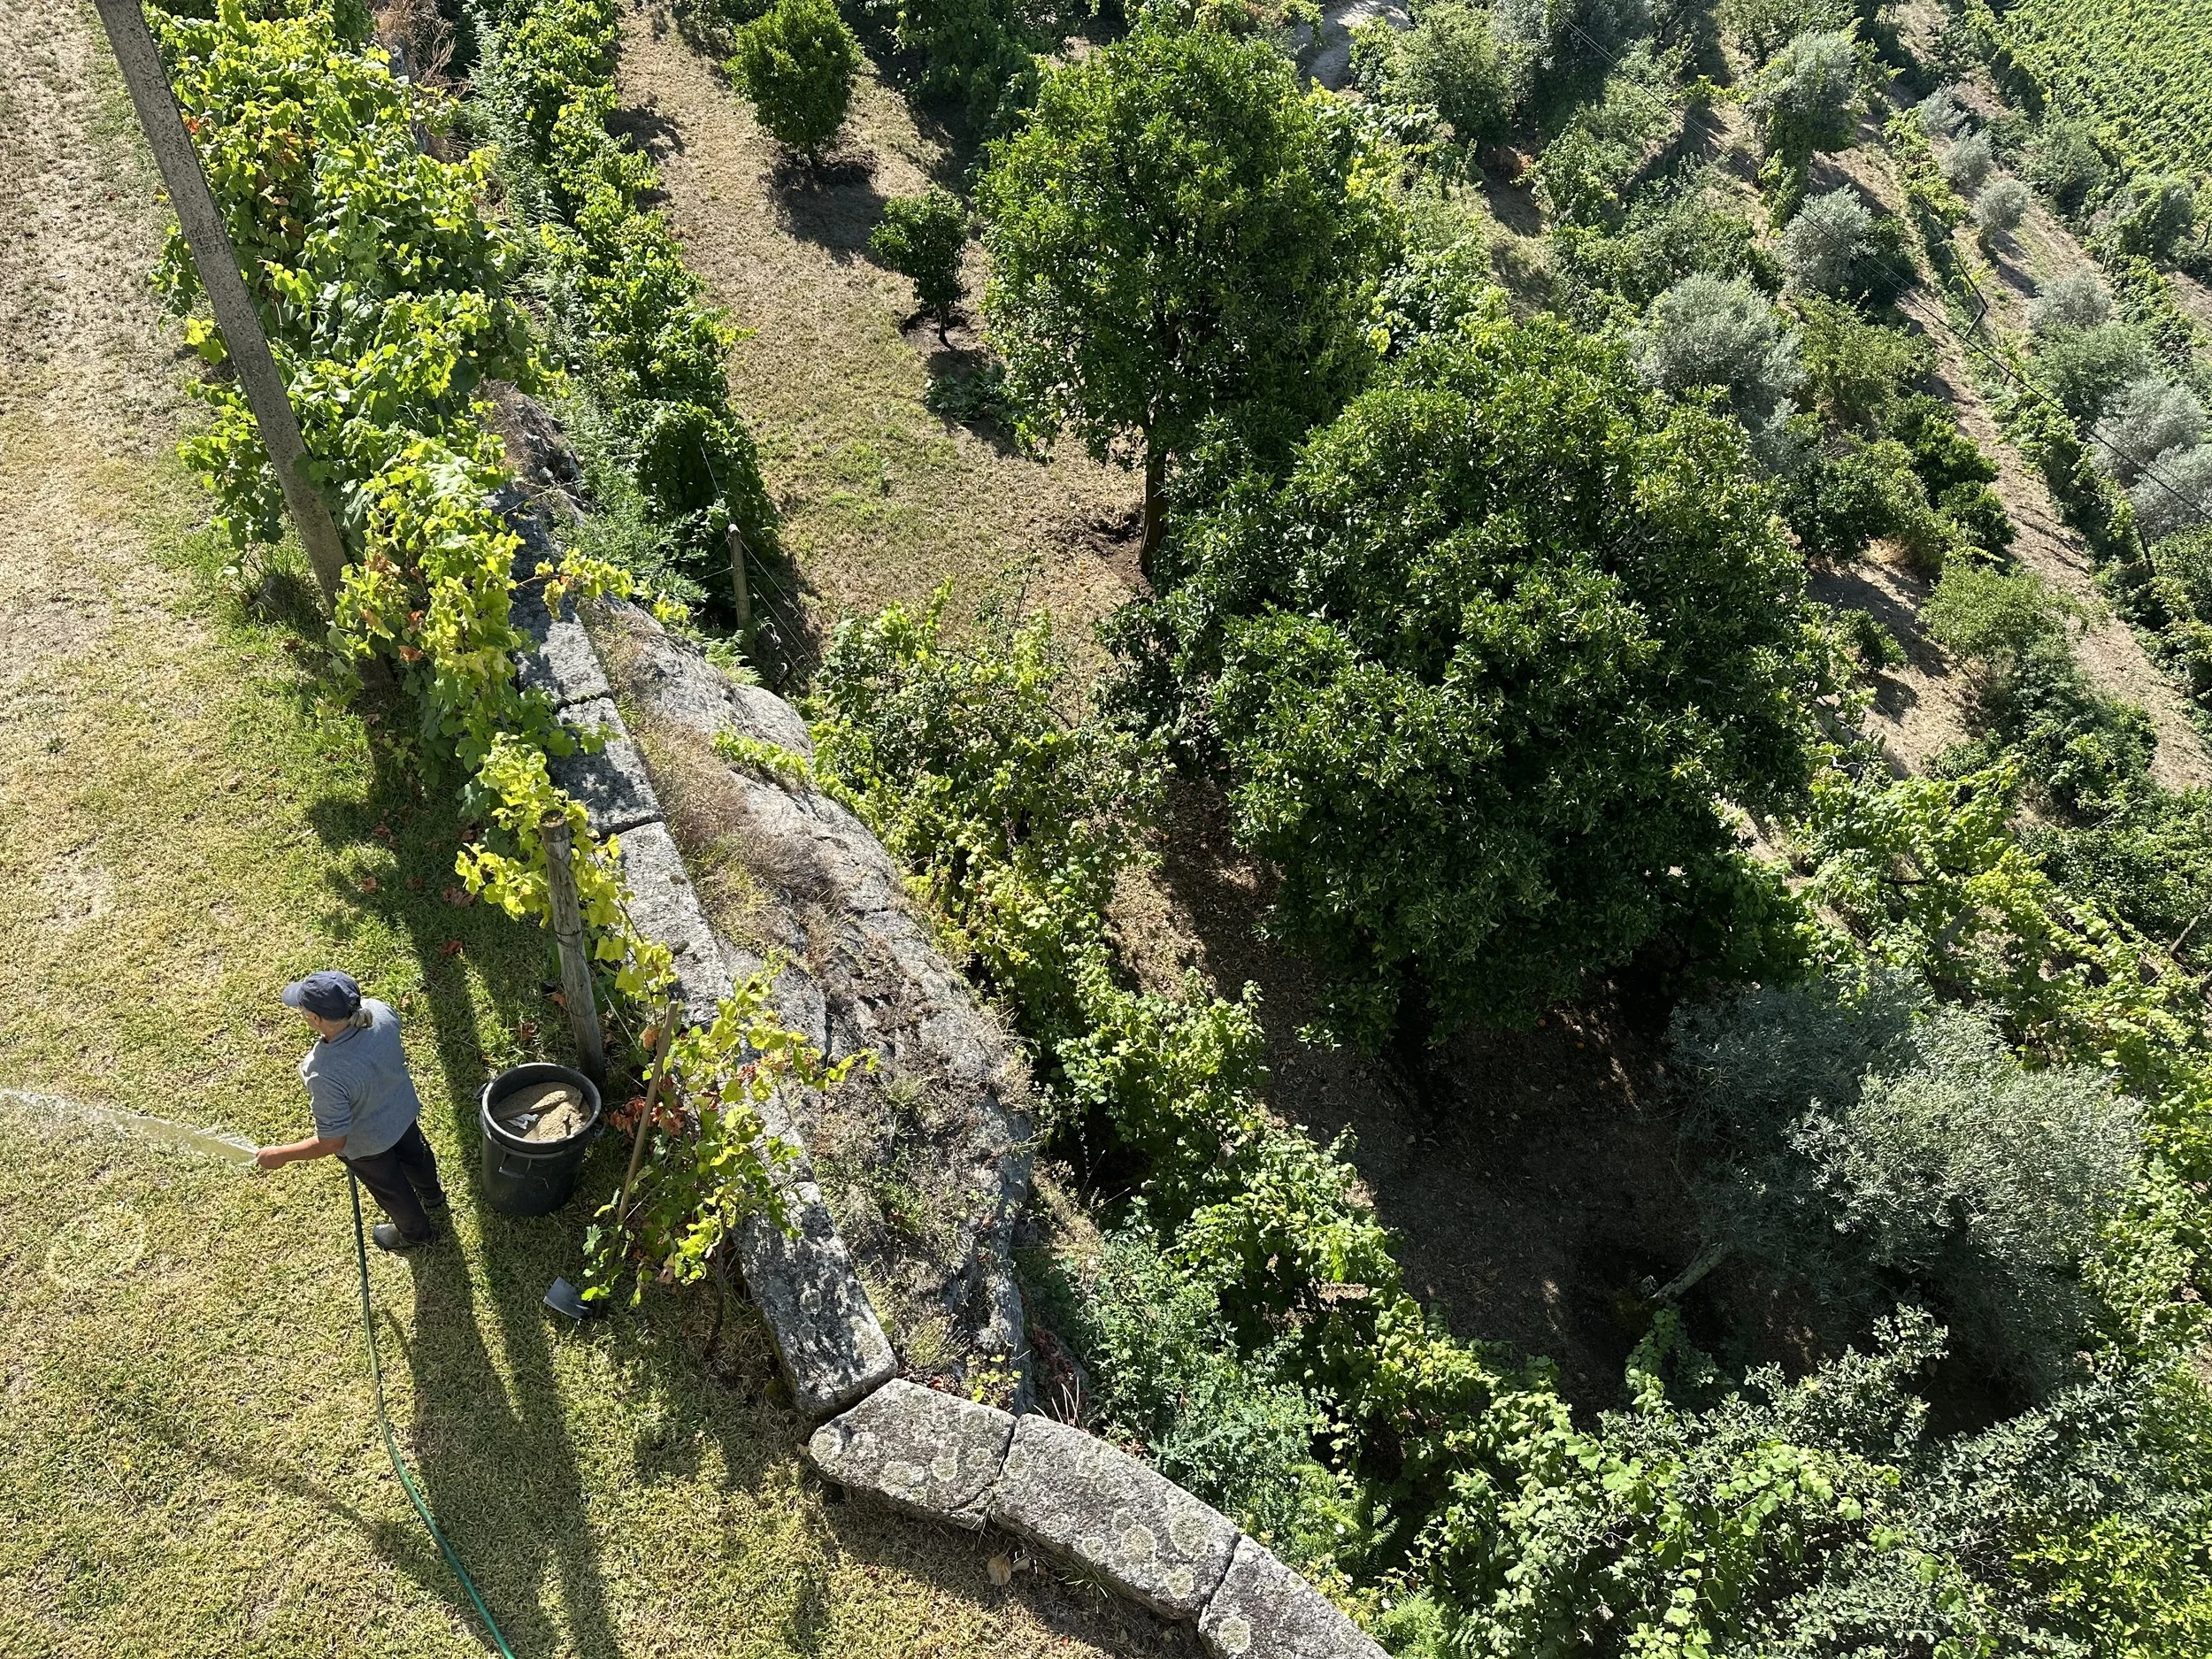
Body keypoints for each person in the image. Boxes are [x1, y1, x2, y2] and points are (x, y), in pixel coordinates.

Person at [257, 970, 448, 1252]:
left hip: (369, 1145)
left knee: (392, 1190)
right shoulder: (380, 1011)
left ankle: (417, 1235)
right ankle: (433, 1196)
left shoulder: (323, 1072)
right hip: (403, 1112)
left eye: (303, 1010)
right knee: (416, 1154)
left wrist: (281, 1155)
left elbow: (334, 1141)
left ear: (317, 1019)